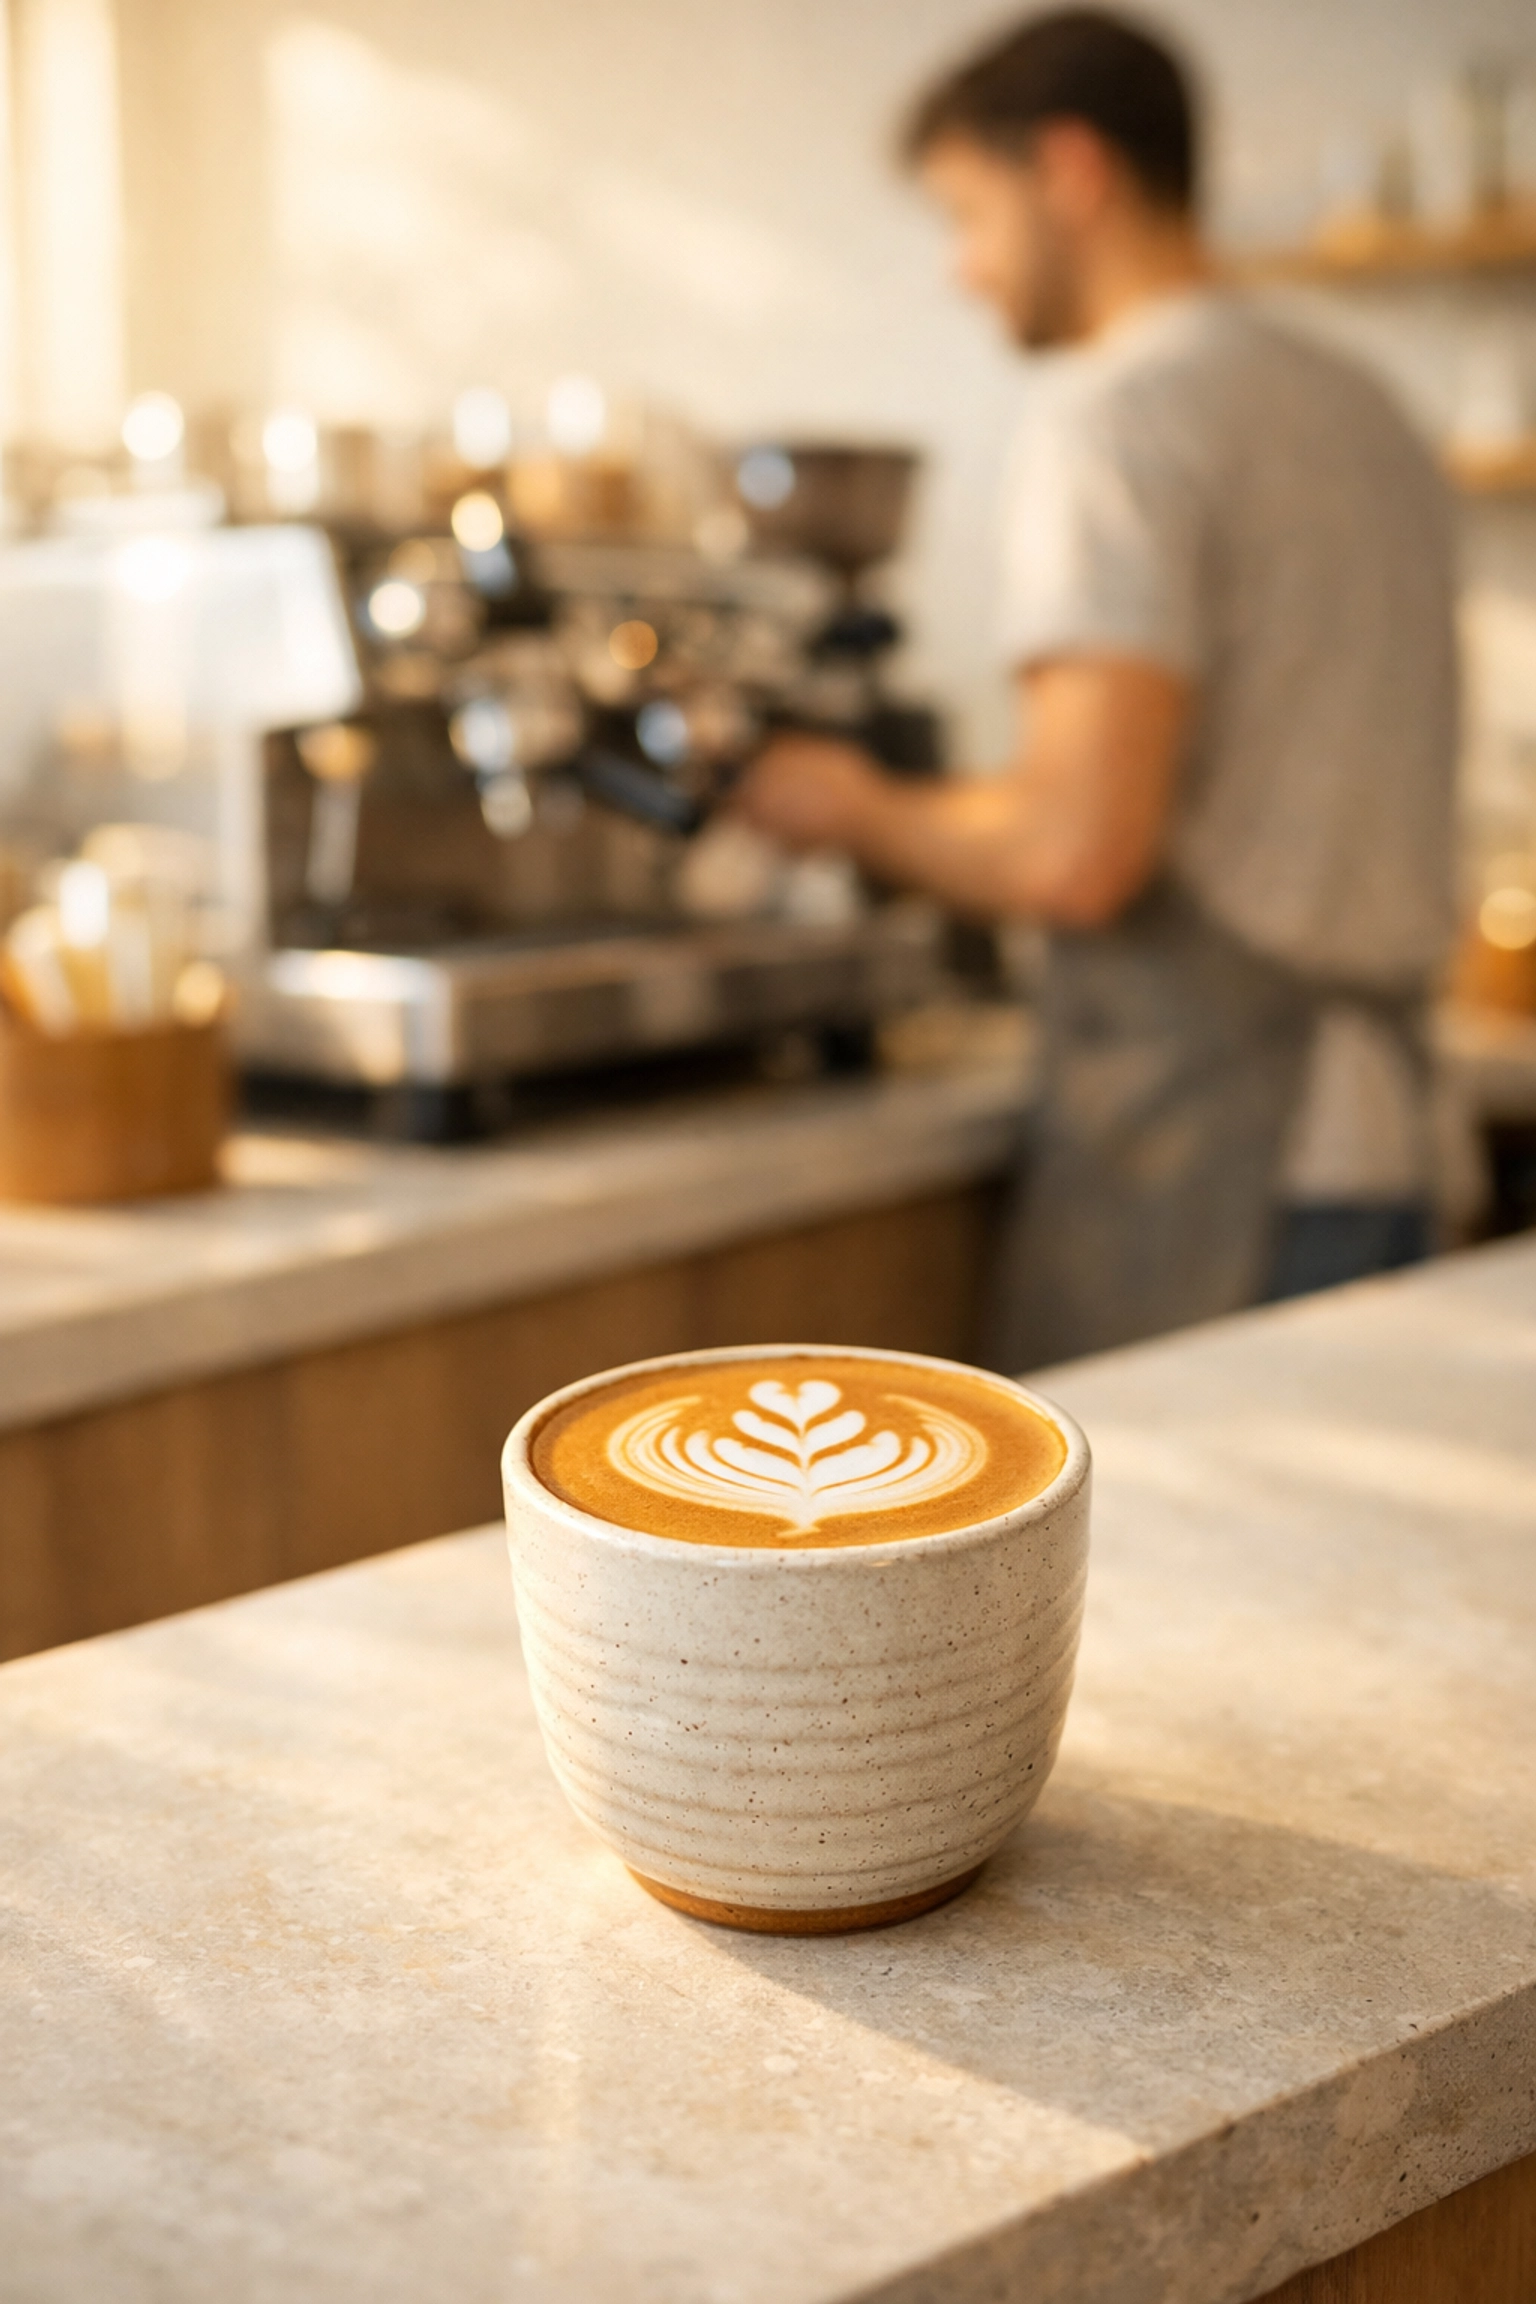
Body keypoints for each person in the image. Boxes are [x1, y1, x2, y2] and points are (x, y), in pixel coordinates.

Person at [735, 6, 1458, 1369]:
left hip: (1220, 1167)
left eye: (968, 212)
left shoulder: (1120, 417)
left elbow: (1078, 853)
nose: (962, 269)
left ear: (1070, 170)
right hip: (1394, 1147)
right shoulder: (1364, 407)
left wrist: (849, 804)